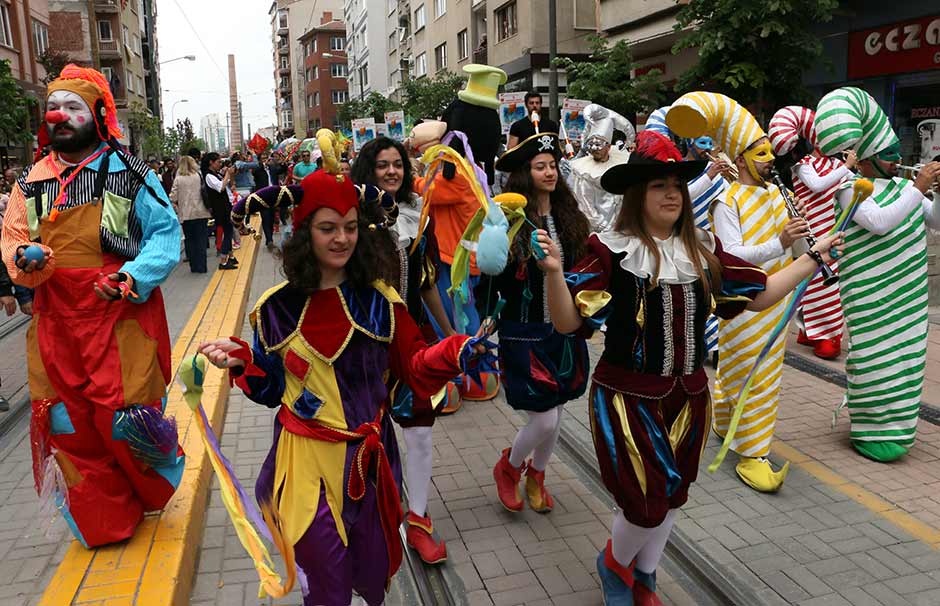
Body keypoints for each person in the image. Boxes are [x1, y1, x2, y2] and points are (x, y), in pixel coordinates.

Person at [537, 130, 842, 606]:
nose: (672, 194)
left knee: (674, 495)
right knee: (646, 500)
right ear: (638, 194)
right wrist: (555, 273)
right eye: (660, 185)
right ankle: (615, 565)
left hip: (690, 394)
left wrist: (811, 259)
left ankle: (646, 574)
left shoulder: (702, 249)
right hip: (627, 396)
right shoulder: (609, 249)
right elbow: (568, 321)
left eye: (677, 185)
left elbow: (758, 294)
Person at [197, 167, 492, 606]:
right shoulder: (274, 309)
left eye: (351, 227)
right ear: (304, 233)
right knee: (326, 582)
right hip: (303, 466)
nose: (342, 239)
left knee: (372, 577)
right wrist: (243, 361)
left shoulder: (381, 301)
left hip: (368, 464)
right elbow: (272, 389)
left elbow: (414, 366)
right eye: (327, 228)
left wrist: (454, 352)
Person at [0, 64, 184, 547]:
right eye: (53, 108)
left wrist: (130, 275)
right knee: (67, 423)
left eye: (72, 107)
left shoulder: (128, 171)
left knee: (122, 420)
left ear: (98, 115)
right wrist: (24, 260)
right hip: (55, 323)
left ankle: (148, 491)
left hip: (119, 318)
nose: (59, 116)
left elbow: (165, 234)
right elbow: (14, 238)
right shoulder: (32, 180)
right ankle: (103, 521)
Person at [666, 92, 813, 493]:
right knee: (749, 371)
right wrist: (780, 244)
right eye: (761, 152)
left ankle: (730, 424)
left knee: (755, 372)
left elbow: (798, 249)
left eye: (769, 152)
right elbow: (730, 256)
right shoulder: (727, 200)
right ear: (743, 157)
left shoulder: (777, 195)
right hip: (742, 302)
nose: (769, 159)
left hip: (776, 302)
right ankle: (752, 453)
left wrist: (807, 241)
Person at [814, 87, 940, 463]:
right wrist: (919, 188)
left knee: (905, 363)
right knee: (874, 361)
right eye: (888, 155)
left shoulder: (906, 187)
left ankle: (900, 428)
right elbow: (879, 223)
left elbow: (935, 222)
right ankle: (870, 428)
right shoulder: (848, 188)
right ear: (867, 159)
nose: (898, 160)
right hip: (871, 300)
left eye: (897, 153)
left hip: (909, 300)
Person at [351, 136, 461, 564]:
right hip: (360, 344)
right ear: (369, 171)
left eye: (398, 164)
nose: (392, 172)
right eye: (382, 166)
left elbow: (427, 280)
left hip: (409, 342)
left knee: (419, 431)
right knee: (366, 433)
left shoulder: (418, 215)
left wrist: (450, 335)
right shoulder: (354, 218)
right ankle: (369, 515)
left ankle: (417, 518)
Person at [484, 132, 591, 513]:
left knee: (558, 411)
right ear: (524, 174)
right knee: (543, 419)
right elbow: (492, 274)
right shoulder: (508, 219)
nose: (548, 173)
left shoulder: (570, 217)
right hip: (524, 330)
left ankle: (538, 474)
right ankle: (510, 468)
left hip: (563, 332)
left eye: (552, 166)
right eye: (539, 167)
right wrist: (486, 318)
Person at [417, 63, 507, 402]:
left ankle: (466, 374)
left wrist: (416, 168)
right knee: (467, 315)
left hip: (451, 260)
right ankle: (477, 374)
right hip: (466, 258)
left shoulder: (456, 174)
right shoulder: (477, 169)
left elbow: (426, 190)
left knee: (453, 319)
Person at [768, 106, 854, 360]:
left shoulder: (837, 163)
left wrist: (850, 167)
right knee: (814, 282)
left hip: (833, 227)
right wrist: (847, 165)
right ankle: (819, 333)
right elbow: (818, 185)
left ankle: (822, 332)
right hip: (811, 230)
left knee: (825, 285)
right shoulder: (802, 165)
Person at [646, 106, 731, 363]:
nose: (706, 146)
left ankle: (715, 347)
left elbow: (728, 198)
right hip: (683, 240)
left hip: (711, 239)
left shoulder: (714, 167)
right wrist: (709, 175)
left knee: (714, 292)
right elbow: (683, 198)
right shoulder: (680, 168)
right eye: (701, 141)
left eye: (709, 140)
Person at [567, 104, 633, 233]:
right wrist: (602, 227)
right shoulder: (584, 172)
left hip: (620, 229)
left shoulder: (620, 166)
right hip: (596, 231)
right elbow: (585, 204)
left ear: (608, 147)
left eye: (598, 144)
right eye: (591, 144)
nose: (594, 149)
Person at [170, 155, 211, 273]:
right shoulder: (198, 176)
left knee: (190, 240)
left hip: (186, 214)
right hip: (201, 212)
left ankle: (194, 266)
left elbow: (173, 196)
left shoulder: (178, 179)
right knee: (201, 240)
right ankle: (202, 266)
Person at [202, 152, 238, 270]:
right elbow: (220, 187)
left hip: (225, 206)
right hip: (220, 209)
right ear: (211, 163)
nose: (220, 164)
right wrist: (227, 173)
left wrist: (230, 175)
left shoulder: (215, 174)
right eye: (218, 162)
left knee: (229, 230)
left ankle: (231, 256)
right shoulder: (208, 176)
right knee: (228, 232)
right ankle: (223, 261)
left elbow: (227, 184)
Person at [251, 150, 283, 250]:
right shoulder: (257, 169)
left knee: (272, 218)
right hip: (262, 197)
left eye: (266, 158)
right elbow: (255, 172)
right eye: (263, 158)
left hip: (273, 196)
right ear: (259, 160)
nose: (265, 160)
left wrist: (282, 163)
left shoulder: (272, 168)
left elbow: (281, 170)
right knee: (265, 218)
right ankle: (269, 240)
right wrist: (262, 165)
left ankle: (270, 236)